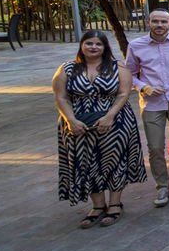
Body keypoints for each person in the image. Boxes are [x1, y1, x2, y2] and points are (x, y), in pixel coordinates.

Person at [53, 30, 146, 228]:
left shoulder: (117, 67)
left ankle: (114, 204)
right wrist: (70, 120)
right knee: (86, 162)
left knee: (114, 161)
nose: (93, 47)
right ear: (82, 45)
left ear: (105, 47)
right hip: (78, 124)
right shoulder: (67, 69)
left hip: (114, 121)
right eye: (89, 43)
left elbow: (123, 94)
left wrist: (109, 116)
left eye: (98, 44)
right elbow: (60, 97)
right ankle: (97, 205)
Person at [125, 10, 169, 207]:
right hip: (151, 103)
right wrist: (144, 87)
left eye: (163, 21)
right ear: (148, 22)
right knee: (155, 147)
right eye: (155, 21)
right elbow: (129, 73)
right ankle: (162, 185)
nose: (159, 25)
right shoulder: (136, 45)